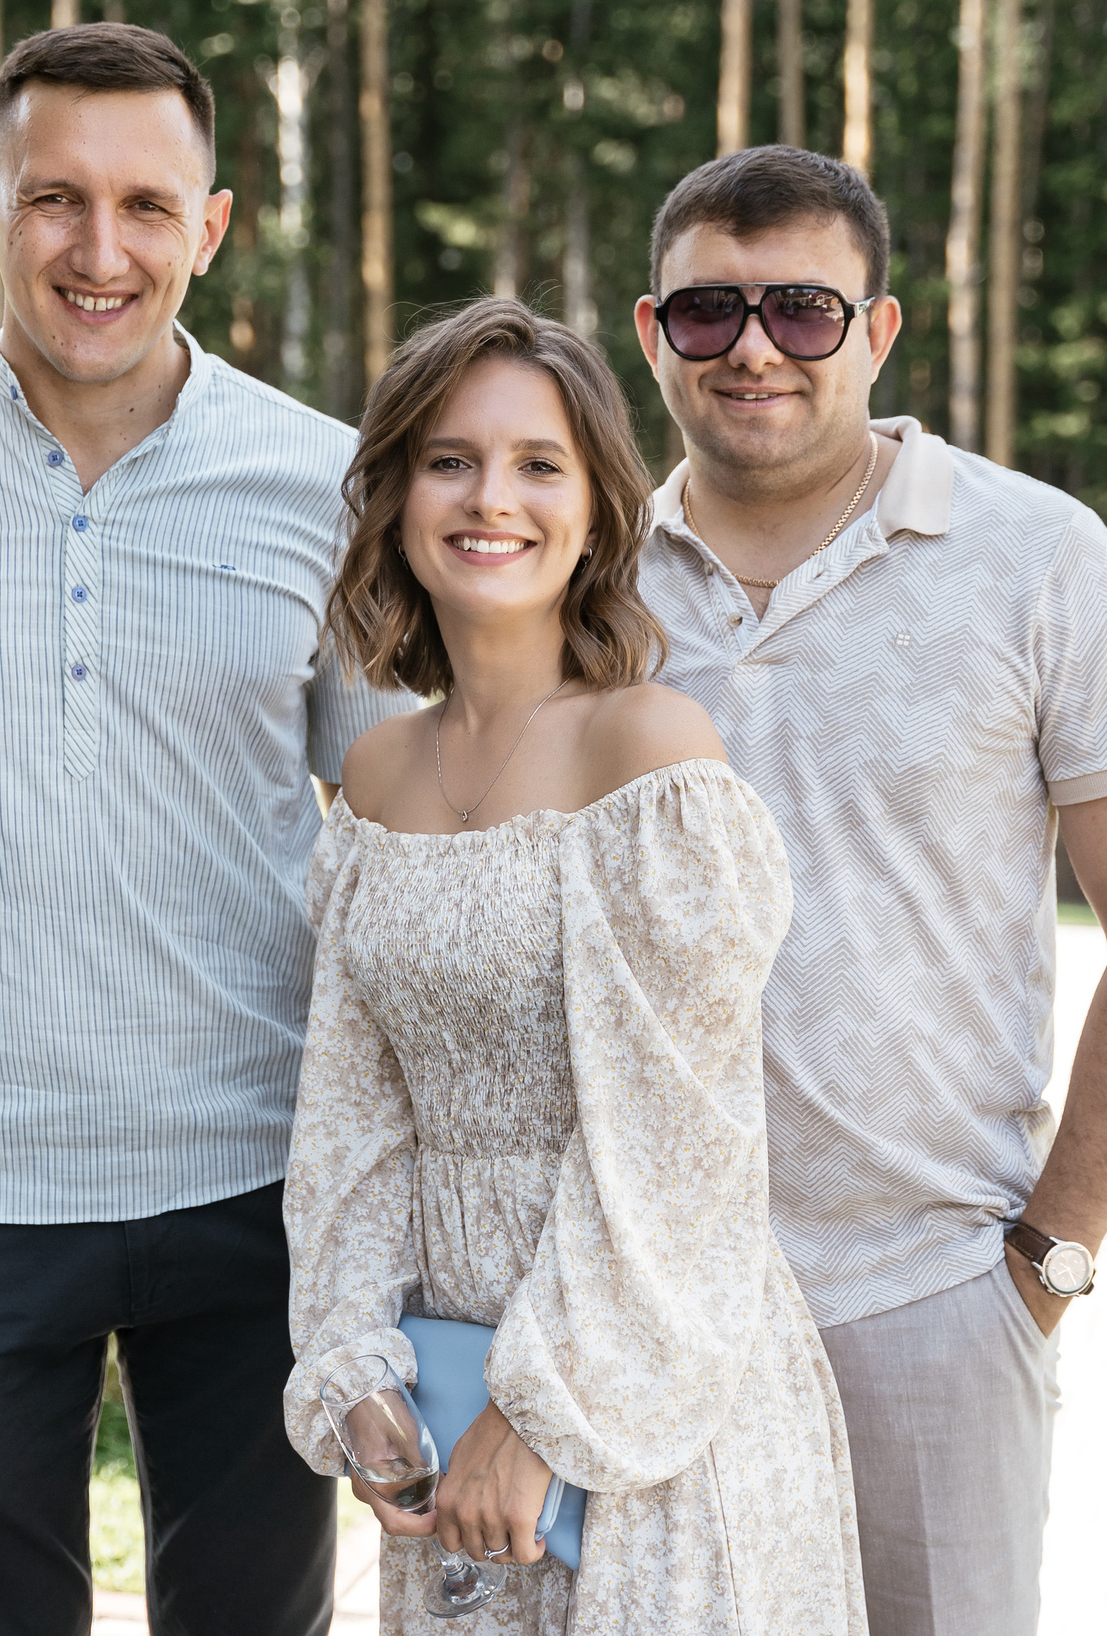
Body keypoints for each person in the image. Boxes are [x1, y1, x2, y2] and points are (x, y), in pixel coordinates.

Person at [0, 23, 416, 1636]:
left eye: (143, 205)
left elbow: (415, 811)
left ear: (214, 225)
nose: (97, 251)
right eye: (55, 199)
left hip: (256, 1167)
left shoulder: (323, 480)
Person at [629, 145, 1107, 1634]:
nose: (754, 346)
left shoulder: (1039, 561)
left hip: (928, 1307)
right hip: (640, 1310)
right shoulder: (586, 574)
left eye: (803, 311)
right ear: (652, 335)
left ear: (879, 331)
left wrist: (1042, 1266)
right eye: (708, 313)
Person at [282, 297, 870, 1635]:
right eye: (451, 460)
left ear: (598, 508)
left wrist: (546, 1412)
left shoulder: (649, 750)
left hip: (639, 1388)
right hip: (444, 1402)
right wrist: (362, 1370)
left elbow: (687, 1147)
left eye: (539, 464)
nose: (494, 498)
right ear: (396, 497)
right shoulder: (374, 773)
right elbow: (350, 1128)